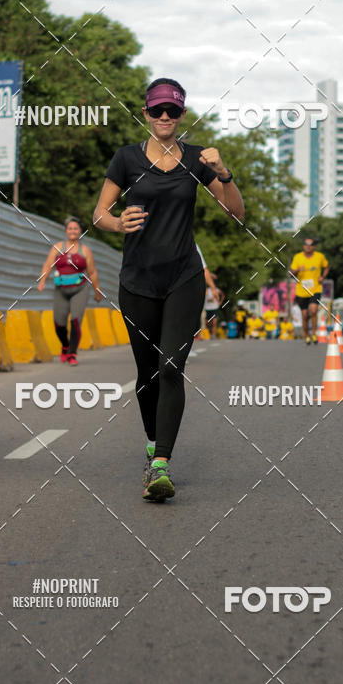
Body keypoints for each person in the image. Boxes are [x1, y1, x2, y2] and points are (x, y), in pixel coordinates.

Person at [93, 77, 244, 501]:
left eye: (172, 111)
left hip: (183, 277)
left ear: (182, 116)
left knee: (171, 367)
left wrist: (224, 174)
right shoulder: (125, 159)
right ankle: (152, 441)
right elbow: (99, 212)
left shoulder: (197, 160)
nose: (164, 117)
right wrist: (117, 223)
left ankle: (161, 463)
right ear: (145, 114)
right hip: (137, 280)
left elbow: (236, 213)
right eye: (157, 110)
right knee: (146, 374)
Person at [38, 217, 101, 364]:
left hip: (80, 289)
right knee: (58, 323)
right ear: (66, 231)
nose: (73, 231)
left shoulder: (85, 250)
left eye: (76, 229)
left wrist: (97, 292)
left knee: (76, 320)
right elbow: (48, 265)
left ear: (80, 231)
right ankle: (65, 345)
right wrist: (42, 281)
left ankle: (72, 353)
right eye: (70, 228)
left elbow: (92, 273)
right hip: (61, 290)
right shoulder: (57, 247)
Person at [290, 237, 329, 345]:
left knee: (313, 310)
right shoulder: (298, 257)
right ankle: (306, 335)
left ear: (314, 246)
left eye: (310, 244)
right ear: (303, 246)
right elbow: (291, 273)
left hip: (315, 289)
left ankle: (314, 333)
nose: (308, 246)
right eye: (306, 244)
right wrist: (298, 270)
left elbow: (327, 267)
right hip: (301, 291)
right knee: (304, 314)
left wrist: (323, 277)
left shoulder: (319, 257)